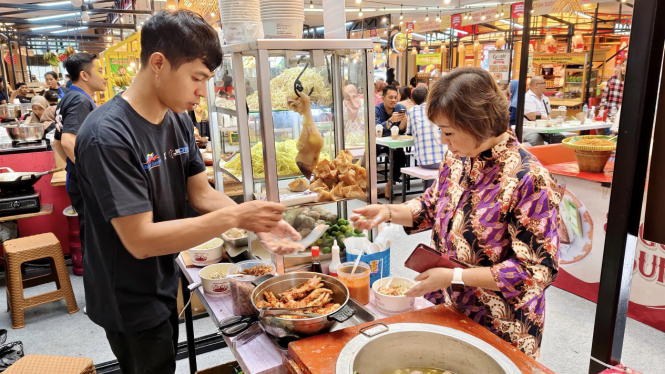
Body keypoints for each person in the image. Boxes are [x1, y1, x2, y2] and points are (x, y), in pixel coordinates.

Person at [74, 10, 303, 374]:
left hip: (163, 274)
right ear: (159, 63)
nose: (202, 91)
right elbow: (141, 240)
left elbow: (201, 194)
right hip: (127, 294)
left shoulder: (177, 118)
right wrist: (235, 216)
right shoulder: (108, 135)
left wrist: (257, 221)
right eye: (197, 78)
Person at [352, 67, 560, 359]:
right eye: (439, 130)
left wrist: (456, 276)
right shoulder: (458, 157)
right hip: (450, 305)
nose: (442, 140)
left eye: (447, 132)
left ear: (479, 123)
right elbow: (431, 204)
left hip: (502, 323)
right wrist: (387, 211)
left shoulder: (529, 179)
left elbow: (536, 271)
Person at [53, 52, 107, 222]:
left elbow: (57, 141)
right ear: (84, 75)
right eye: (99, 71)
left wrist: (73, 168)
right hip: (86, 184)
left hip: (78, 181)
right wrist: (91, 173)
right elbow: (67, 141)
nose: (104, 76)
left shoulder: (69, 97)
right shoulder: (80, 101)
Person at [406, 86, 447, 169]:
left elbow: (409, 132)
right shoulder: (439, 108)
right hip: (445, 159)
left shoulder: (412, 111)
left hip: (424, 161)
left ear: (413, 101)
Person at [375, 85, 408, 189]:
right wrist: (390, 121)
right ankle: (370, 186)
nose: (393, 100)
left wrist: (405, 121)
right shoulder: (377, 109)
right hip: (379, 143)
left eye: (395, 97)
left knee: (401, 157)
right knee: (368, 155)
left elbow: (402, 130)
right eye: (390, 97)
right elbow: (376, 128)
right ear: (383, 98)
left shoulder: (400, 108)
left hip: (394, 142)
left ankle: (390, 183)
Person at [523, 76, 565, 145]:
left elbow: (549, 114)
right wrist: (551, 120)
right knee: (537, 141)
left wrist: (558, 117)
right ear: (536, 85)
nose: (546, 85)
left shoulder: (545, 98)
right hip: (529, 129)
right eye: (543, 83)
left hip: (544, 128)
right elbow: (532, 116)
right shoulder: (527, 98)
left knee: (561, 139)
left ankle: (553, 155)